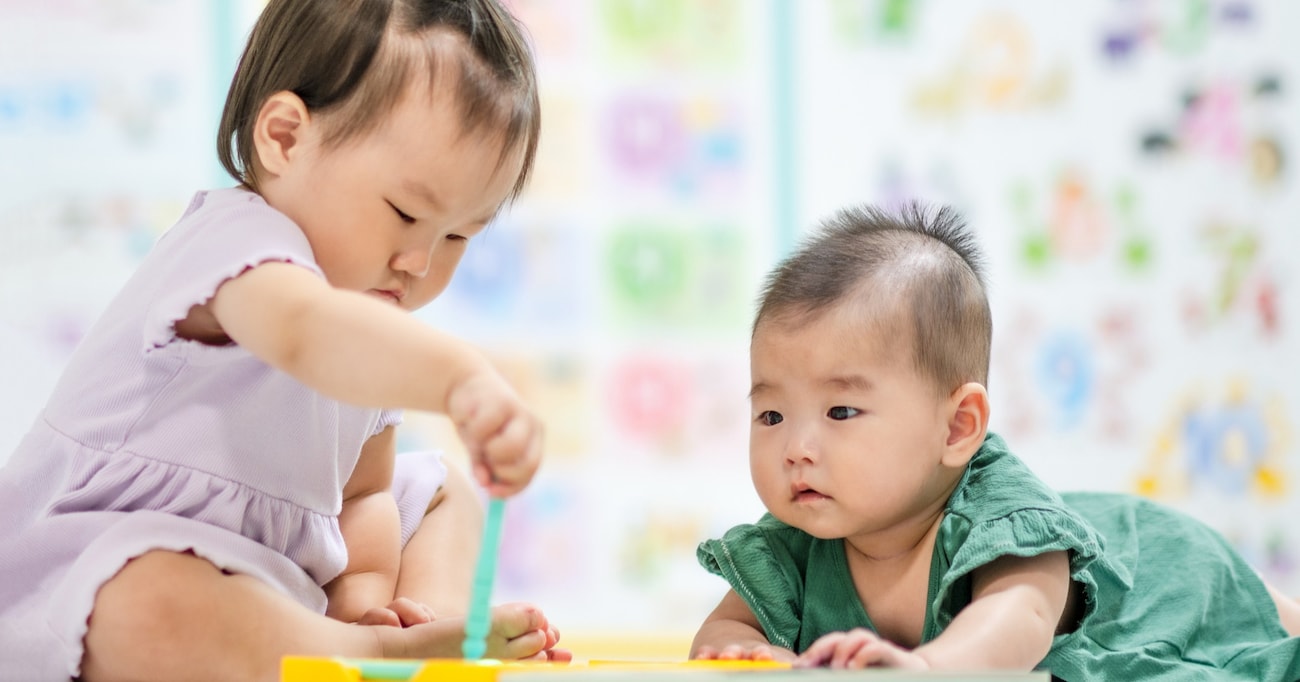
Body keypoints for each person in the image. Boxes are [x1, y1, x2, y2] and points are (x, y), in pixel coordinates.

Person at [0, 1, 571, 680]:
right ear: (284, 138)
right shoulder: (237, 243)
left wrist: (363, 598)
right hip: (97, 563)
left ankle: (412, 634)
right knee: (148, 600)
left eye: (457, 237)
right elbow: (306, 334)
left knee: (443, 493)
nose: (420, 260)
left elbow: (362, 497)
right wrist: (460, 379)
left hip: (279, 591)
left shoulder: (376, 322)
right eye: (406, 213)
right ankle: (376, 656)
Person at [689, 203, 1300, 679]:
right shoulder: (792, 544)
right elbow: (722, 633)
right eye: (770, 416)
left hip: (1155, 578)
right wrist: (745, 654)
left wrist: (927, 667)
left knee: (1257, 637)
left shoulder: (997, 514)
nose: (797, 447)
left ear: (956, 428)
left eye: (841, 410)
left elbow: (1020, 618)